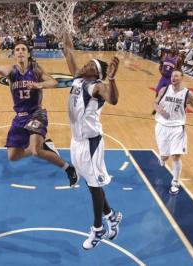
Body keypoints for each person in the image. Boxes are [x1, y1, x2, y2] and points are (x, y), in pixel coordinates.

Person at [0, 40, 78, 186]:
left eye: (23, 49)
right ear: (14, 54)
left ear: (28, 53)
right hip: (20, 117)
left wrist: (39, 84)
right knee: (12, 156)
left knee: (36, 151)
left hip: (36, 113)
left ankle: (69, 169)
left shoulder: (35, 69)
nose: (20, 51)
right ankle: (46, 146)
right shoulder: (11, 71)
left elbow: (54, 82)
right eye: (17, 49)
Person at [62, 33, 122, 250]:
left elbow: (113, 99)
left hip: (91, 143)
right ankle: (111, 216)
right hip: (76, 141)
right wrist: (65, 39)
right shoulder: (78, 79)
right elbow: (70, 56)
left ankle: (98, 229)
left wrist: (112, 79)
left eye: (88, 64)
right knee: (90, 181)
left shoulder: (96, 86)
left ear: (95, 72)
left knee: (94, 186)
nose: (83, 65)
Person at [154, 70, 193, 194]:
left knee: (176, 156)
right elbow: (155, 103)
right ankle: (163, 158)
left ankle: (175, 182)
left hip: (177, 128)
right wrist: (160, 110)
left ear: (182, 77)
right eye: (172, 76)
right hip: (161, 126)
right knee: (165, 156)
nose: (173, 78)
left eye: (176, 75)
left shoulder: (188, 94)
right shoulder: (164, 90)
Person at [153, 49, 180, 115]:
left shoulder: (177, 59)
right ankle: (156, 106)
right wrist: (160, 71)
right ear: (170, 51)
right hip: (163, 77)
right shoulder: (165, 57)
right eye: (173, 51)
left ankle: (165, 108)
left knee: (168, 94)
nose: (174, 52)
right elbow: (160, 65)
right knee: (157, 92)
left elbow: (178, 69)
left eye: (175, 52)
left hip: (170, 79)